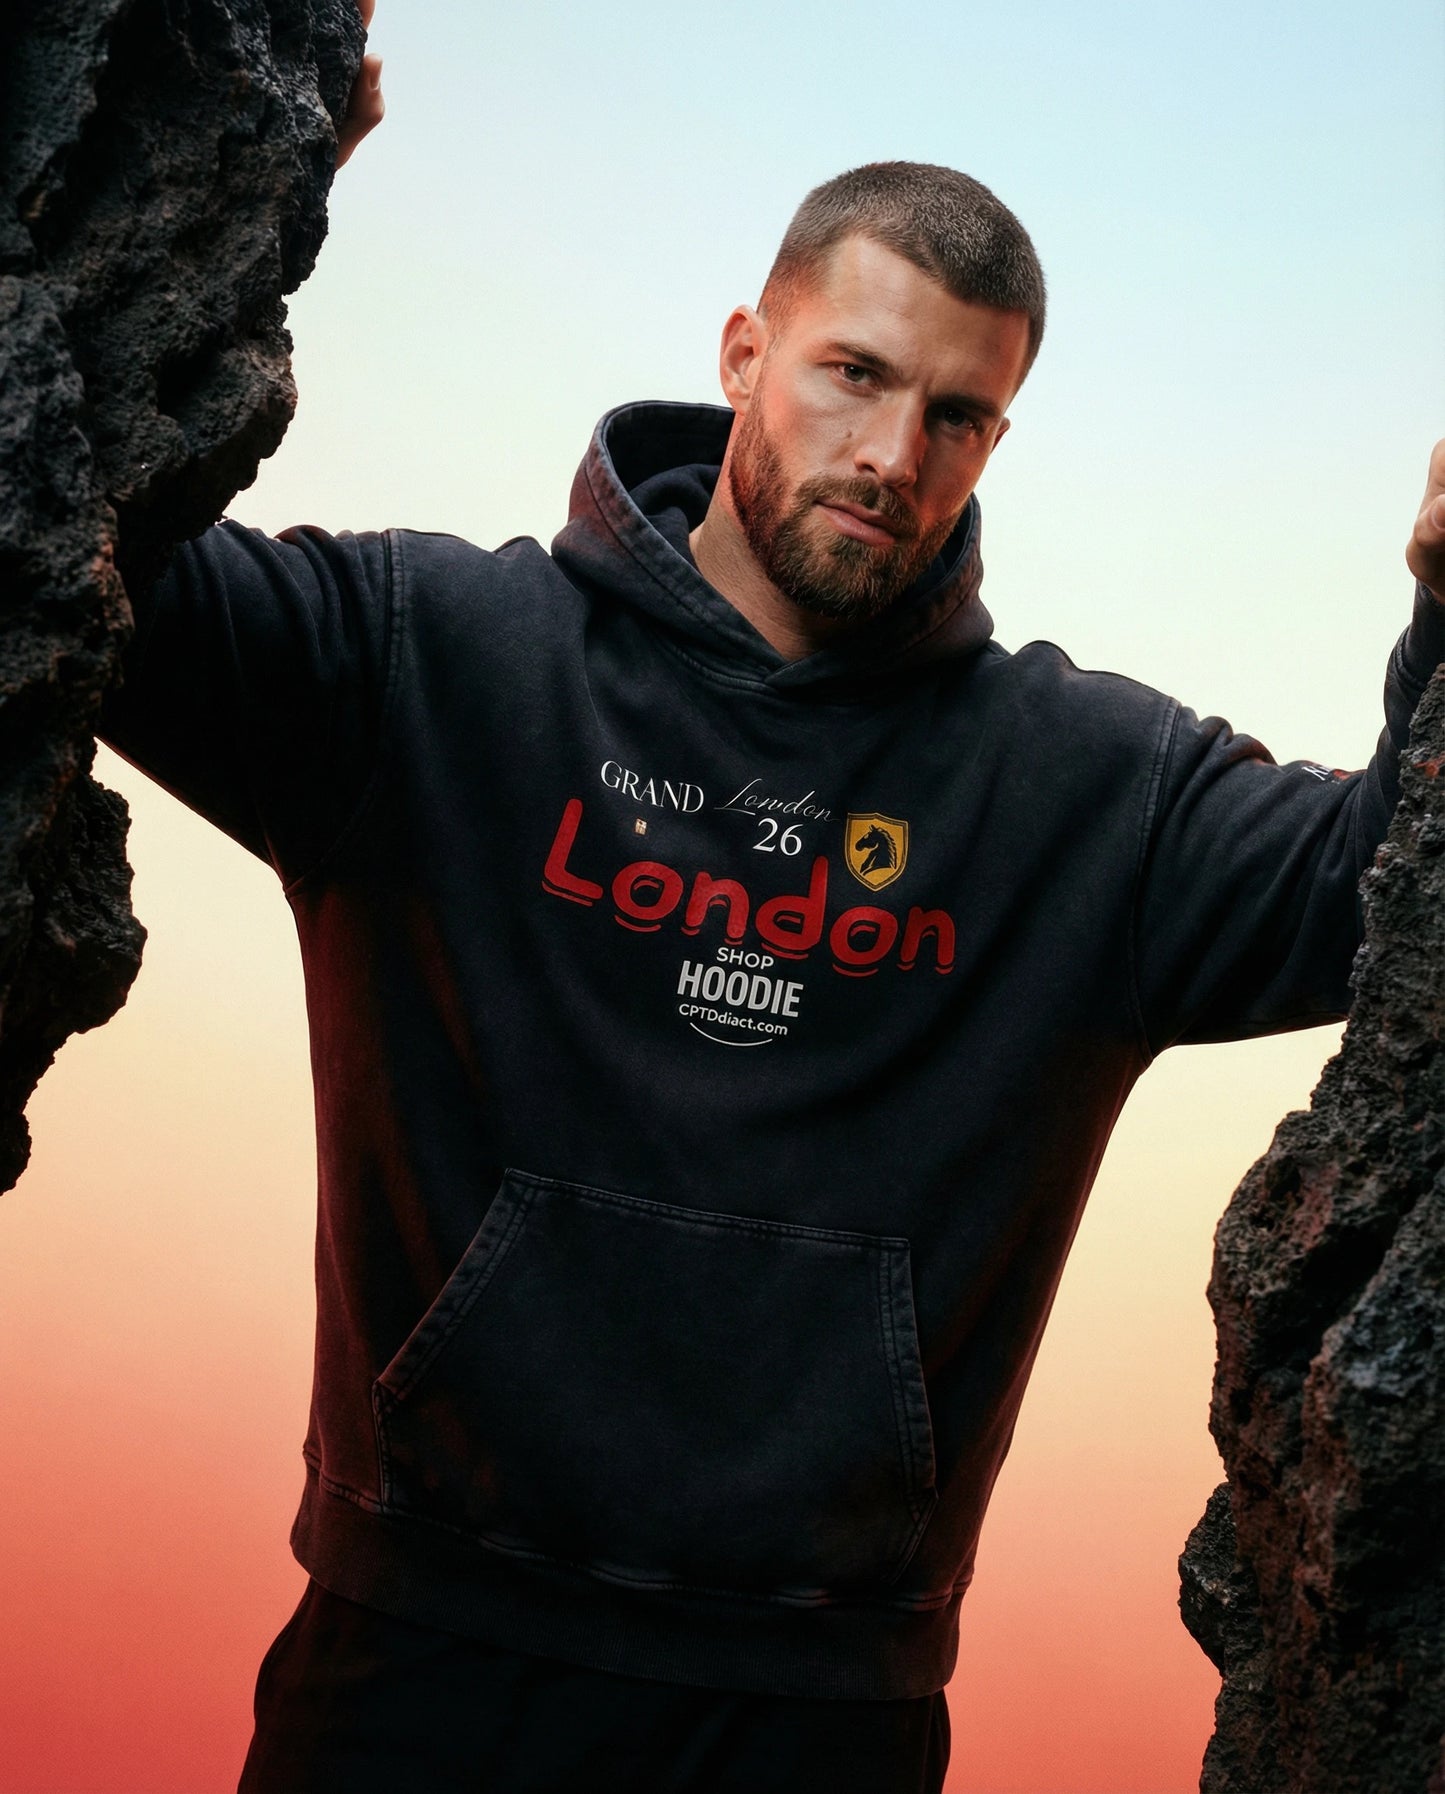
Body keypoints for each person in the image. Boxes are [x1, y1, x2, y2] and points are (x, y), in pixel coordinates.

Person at [98, 35, 1445, 1794]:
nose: (893, 452)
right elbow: (89, 564)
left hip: (819, 1710)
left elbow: (1387, 901)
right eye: (852, 374)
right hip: (412, 1657)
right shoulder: (423, 660)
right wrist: (243, 194)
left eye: (956, 413)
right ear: (745, 352)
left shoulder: (1092, 794)